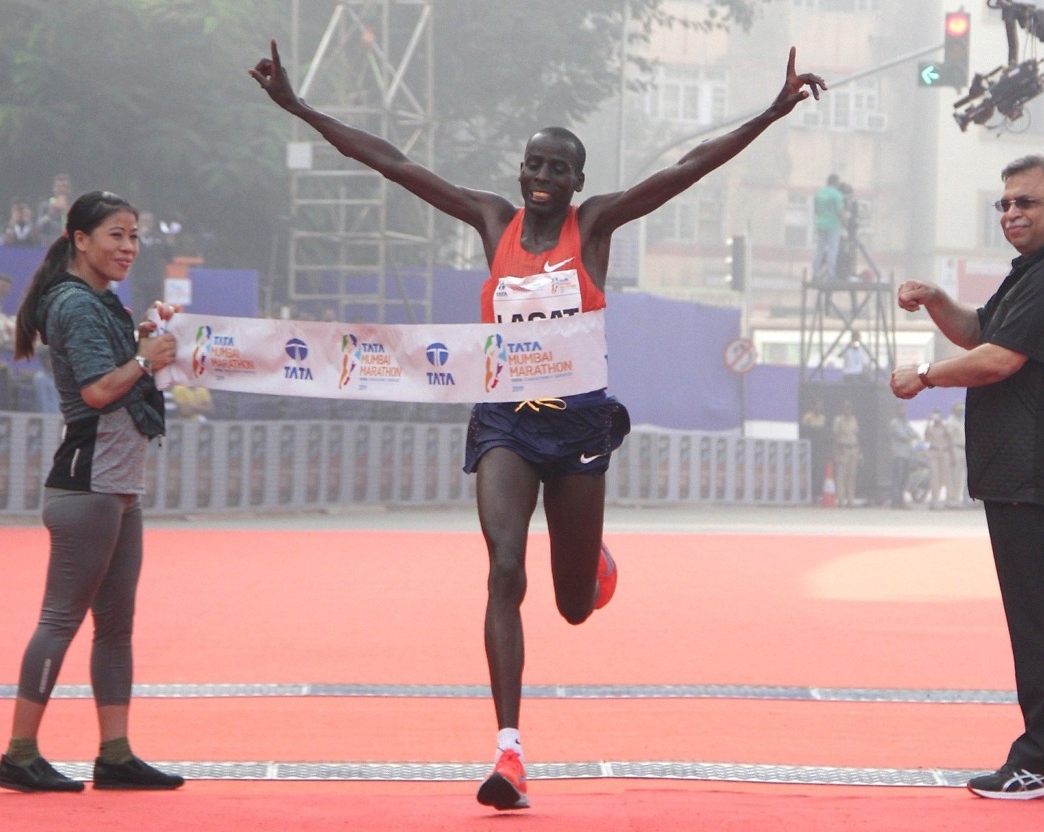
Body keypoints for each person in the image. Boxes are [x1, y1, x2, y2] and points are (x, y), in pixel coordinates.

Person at [250, 39, 824, 810]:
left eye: (558, 168)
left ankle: (592, 563)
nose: (542, 177)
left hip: (579, 424)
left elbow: (689, 167)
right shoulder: (494, 220)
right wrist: (299, 107)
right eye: (533, 165)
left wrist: (772, 112)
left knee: (573, 606)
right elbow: (393, 162)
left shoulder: (597, 225)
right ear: (520, 171)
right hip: (506, 422)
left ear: (578, 181)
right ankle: (509, 751)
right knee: (503, 569)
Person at [891, 155, 1044, 800]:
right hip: (1027, 472)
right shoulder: (1038, 271)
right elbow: (981, 333)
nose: (1011, 213)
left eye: (1026, 202)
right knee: (1036, 616)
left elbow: (999, 359)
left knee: (1040, 619)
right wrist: (937, 300)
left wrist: (923, 376)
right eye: (1004, 204)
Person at [0, 191, 184, 793]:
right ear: (80, 240)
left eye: (134, 236)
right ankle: (19, 752)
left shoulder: (100, 301)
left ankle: (116, 753)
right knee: (60, 621)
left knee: (116, 627)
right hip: (89, 483)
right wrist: (144, 357)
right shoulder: (75, 303)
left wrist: (146, 339)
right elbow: (99, 390)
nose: (129, 247)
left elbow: (122, 370)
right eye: (115, 235)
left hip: (117, 484)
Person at [811, 173, 844, 280]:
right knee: (832, 249)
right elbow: (840, 211)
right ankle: (831, 274)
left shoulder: (819, 193)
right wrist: (845, 222)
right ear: (835, 182)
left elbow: (816, 210)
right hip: (833, 225)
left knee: (819, 249)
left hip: (820, 224)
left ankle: (815, 273)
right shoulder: (837, 195)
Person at [800, 397, 831, 503]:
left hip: (819, 449)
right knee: (810, 471)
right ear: (813, 406)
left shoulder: (823, 418)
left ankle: (816, 494)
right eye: (817, 405)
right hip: (810, 449)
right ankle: (807, 494)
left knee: (819, 471)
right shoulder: (807, 417)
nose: (819, 407)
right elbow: (804, 431)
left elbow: (824, 432)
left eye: (821, 405)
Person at [887, 402, 917, 508]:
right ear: (897, 411)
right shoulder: (894, 423)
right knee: (897, 479)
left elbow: (915, 434)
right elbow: (903, 436)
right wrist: (910, 435)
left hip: (907, 455)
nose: (903, 412)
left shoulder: (906, 423)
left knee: (904, 479)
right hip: (898, 455)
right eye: (901, 409)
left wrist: (911, 434)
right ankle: (895, 502)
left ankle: (901, 501)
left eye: (904, 409)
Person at [831, 398, 860, 507]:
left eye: (849, 408)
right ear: (843, 409)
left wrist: (859, 451)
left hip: (853, 449)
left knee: (852, 476)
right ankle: (841, 500)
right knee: (841, 476)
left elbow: (856, 435)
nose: (848, 410)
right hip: (843, 449)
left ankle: (850, 500)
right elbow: (836, 436)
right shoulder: (838, 420)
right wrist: (836, 451)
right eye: (846, 408)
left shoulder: (854, 420)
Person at [923, 408, 952, 510]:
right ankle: (935, 501)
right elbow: (926, 438)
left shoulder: (944, 427)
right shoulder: (931, 428)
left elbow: (949, 439)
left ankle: (938, 499)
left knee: (942, 478)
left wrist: (951, 455)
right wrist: (929, 421)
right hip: (933, 452)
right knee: (934, 476)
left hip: (943, 452)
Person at [945, 399, 969, 507]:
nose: (960, 411)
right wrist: (951, 454)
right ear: (954, 410)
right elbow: (949, 438)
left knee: (960, 477)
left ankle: (957, 500)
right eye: (958, 409)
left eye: (961, 410)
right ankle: (951, 501)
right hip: (955, 449)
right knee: (953, 476)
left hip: (963, 450)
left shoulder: (961, 421)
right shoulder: (951, 421)